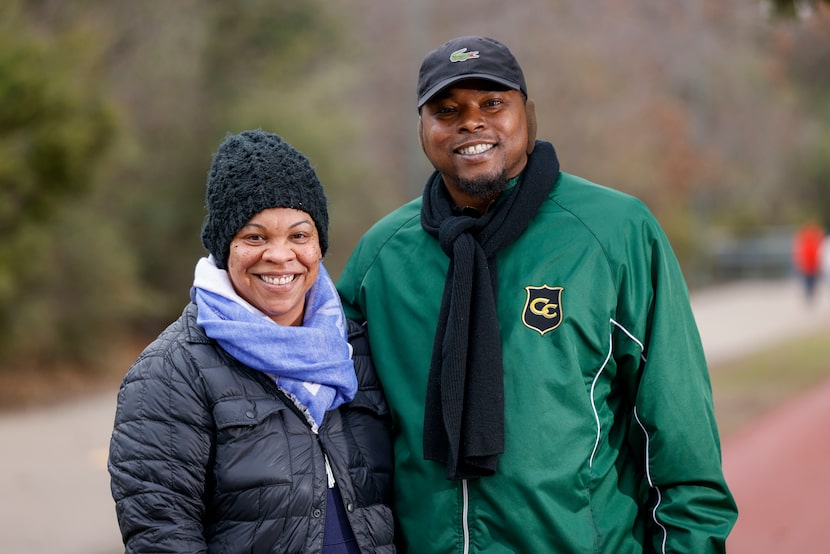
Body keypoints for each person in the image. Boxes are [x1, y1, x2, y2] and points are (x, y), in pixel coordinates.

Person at [336, 36, 737, 552]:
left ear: (529, 113)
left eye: (493, 103)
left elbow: (682, 443)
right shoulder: (382, 259)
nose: (471, 122)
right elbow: (342, 434)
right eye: (446, 110)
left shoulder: (614, 233)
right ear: (422, 129)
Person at [108, 130, 395, 553]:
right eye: (255, 237)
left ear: (319, 246)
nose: (280, 256)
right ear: (226, 248)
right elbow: (162, 536)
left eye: (299, 236)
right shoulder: (171, 372)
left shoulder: (358, 349)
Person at [792, 221, 824, 304]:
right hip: (808, 264)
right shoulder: (807, 242)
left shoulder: (813, 241)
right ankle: (809, 295)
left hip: (812, 264)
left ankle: (810, 294)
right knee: (808, 281)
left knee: (811, 281)